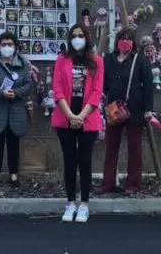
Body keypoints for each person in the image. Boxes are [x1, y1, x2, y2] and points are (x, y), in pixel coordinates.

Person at [51, 24, 104, 223]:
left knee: (85, 161)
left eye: (81, 35)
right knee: (69, 161)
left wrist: (81, 115)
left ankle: (84, 204)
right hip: (64, 119)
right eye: (74, 36)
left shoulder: (97, 61)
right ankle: (70, 202)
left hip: (87, 119)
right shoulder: (62, 60)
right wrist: (70, 115)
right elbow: (57, 90)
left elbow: (97, 92)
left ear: (87, 38)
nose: (77, 39)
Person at [101, 28, 153, 194]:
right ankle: (108, 184)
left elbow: (148, 87)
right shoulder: (107, 59)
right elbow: (102, 84)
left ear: (134, 42)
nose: (126, 41)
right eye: (122, 38)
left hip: (135, 110)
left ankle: (133, 185)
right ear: (117, 41)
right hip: (114, 108)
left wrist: (148, 109)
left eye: (129, 39)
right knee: (111, 147)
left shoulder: (140, 60)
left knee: (135, 148)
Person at [0, 32, 33, 187]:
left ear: (15, 46)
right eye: (4, 44)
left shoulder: (23, 64)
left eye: (10, 44)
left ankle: (14, 175)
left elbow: (29, 85)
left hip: (16, 111)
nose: (7, 47)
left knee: (14, 144)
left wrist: (16, 93)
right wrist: (0, 93)